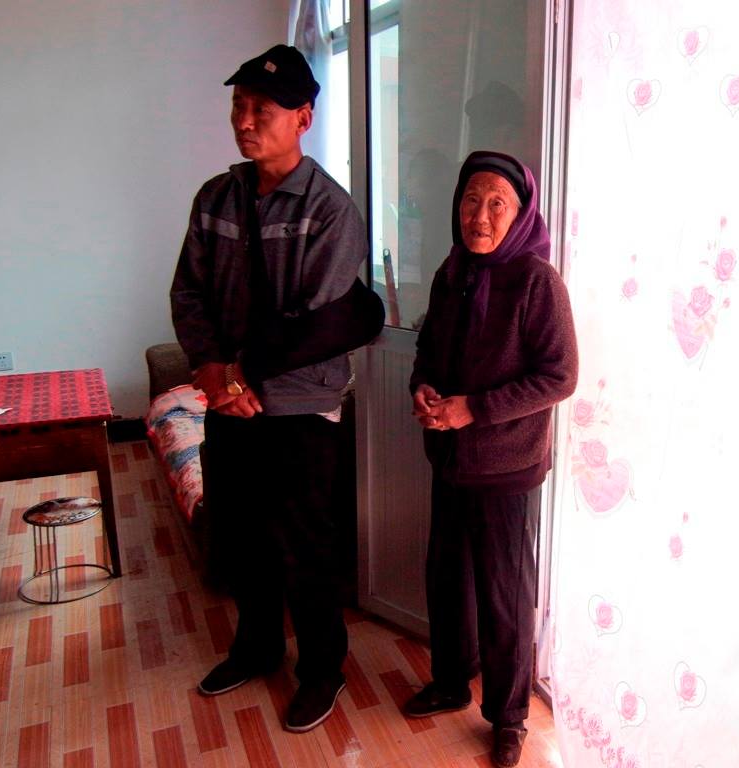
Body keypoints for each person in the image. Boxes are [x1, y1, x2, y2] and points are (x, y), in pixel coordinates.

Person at [170, 44, 382, 733]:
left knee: (305, 544)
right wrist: (212, 372)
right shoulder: (216, 198)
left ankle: (321, 669)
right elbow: (188, 292)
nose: (245, 120)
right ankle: (256, 648)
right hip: (229, 400)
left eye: (262, 109)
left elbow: (313, 323)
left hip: (299, 405)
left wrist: (239, 374)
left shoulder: (331, 211)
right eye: (239, 105)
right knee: (241, 534)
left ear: (303, 118)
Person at [406, 151, 578, 767]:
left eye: (496, 204)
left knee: (505, 595)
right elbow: (427, 350)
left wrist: (474, 409)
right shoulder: (451, 272)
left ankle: (509, 717)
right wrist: (423, 390)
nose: (480, 216)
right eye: (471, 200)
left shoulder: (536, 281)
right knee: (447, 577)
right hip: (451, 458)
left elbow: (560, 376)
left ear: (520, 212)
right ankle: (451, 680)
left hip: (506, 466)